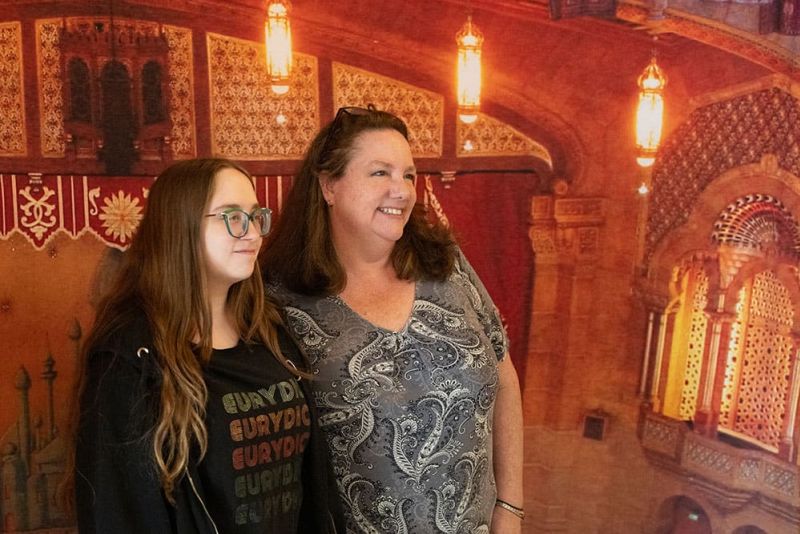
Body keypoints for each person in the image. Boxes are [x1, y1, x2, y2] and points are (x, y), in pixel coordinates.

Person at [263, 107, 524, 533]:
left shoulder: (447, 266)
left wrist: (510, 509)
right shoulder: (279, 298)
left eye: (408, 175)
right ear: (328, 185)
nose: (401, 190)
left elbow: (503, 372)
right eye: (380, 173)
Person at [67, 158, 343, 533]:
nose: (252, 232)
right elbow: (118, 513)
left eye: (255, 216)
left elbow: (314, 486)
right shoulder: (130, 357)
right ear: (180, 226)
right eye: (232, 217)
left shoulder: (270, 330)